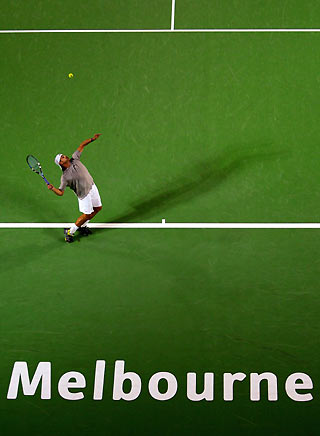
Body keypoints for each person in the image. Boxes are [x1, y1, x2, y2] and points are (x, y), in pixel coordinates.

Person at [48, 133, 102, 243]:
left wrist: (92, 139)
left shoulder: (75, 158)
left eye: (63, 155)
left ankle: (83, 226)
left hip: (92, 187)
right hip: (84, 195)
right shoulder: (65, 177)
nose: (64, 156)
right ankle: (70, 231)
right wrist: (53, 188)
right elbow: (61, 192)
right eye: (62, 158)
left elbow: (82, 145)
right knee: (87, 214)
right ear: (60, 163)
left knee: (98, 208)